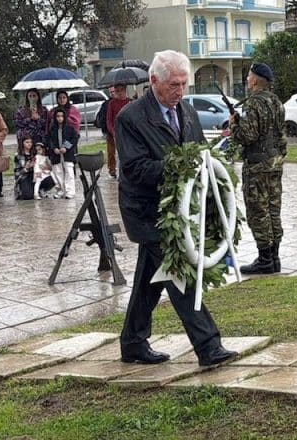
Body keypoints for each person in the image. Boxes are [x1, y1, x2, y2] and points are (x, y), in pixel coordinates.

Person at [116, 49, 236, 368]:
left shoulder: (188, 112)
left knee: (149, 279)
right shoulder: (130, 118)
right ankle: (208, 346)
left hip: (180, 212)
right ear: (154, 81)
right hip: (147, 212)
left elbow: (199, 154)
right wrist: (179, 167)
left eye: (184, 85)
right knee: (179, 271)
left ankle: (132, 342)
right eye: (173, 85)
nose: (179, 91)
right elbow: (135, 169)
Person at [229, 62, 287, 275]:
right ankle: (274, 257)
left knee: (258, 211)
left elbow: (248, 136)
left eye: (249, 76)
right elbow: (282, 135)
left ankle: (265, 259)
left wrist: (234, 124)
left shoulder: (253, 104)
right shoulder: (277, 102)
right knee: (273, 210)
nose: (247, 80)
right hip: (274, 165)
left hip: (257, 166)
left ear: (254, 80)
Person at [46, 108, 79, 199]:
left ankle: (70, 191)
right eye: (57, 116)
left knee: (69, 172)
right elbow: (49, 140)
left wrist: (66, 147)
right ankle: (60, 190)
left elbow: (74, 138)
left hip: (68, 155)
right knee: (57, 173)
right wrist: (54, 148)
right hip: (56, 156)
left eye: (61, 116)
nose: (60, 118)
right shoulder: (52, 129)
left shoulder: (70, 128)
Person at [105, 83, 130, 179]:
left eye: (121, 90)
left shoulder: (129, 102)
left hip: (127, 132)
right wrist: (113, 131)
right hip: (115, 133)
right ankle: (115, 171)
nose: (119, 93)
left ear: (125, 90)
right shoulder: (112, 103)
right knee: (114, 153)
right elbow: (109, 119)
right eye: (117, 91)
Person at [95, 86, 115, 176]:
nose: (113, 93)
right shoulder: (106, 104)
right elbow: (103, 118)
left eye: (114, 91)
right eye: (111, 92)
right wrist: (105, 130)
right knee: (111, 152)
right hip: (110, 132)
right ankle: (112, 169)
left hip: (122, 131)